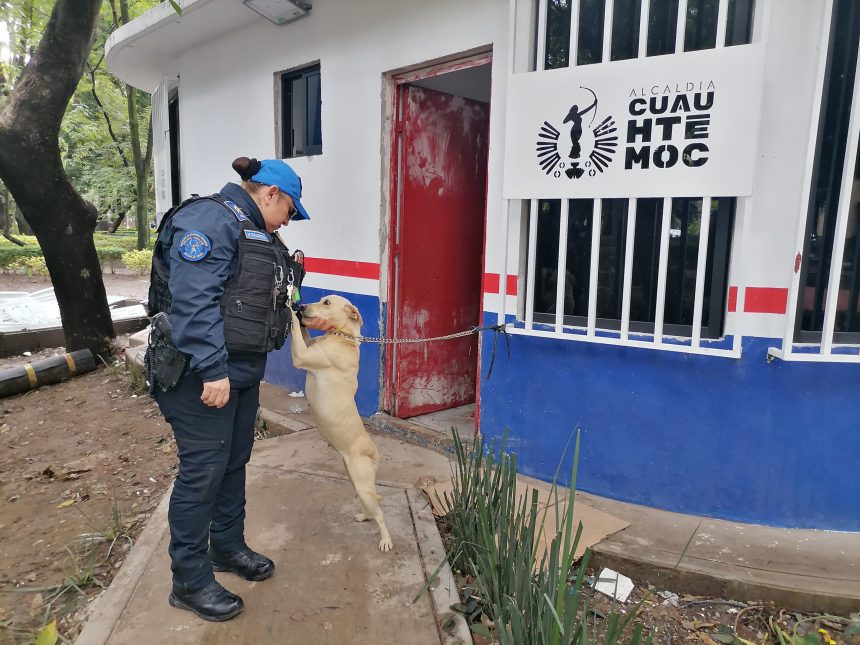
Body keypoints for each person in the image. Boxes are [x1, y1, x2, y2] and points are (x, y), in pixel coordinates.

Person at [146, 156, 310, 621]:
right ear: (270, 193)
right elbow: (193, 300)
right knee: (202, 474)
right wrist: (214, 369)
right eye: (291, 210)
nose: (290, 221)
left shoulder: (255, 231)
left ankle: (227, 547)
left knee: (233, 463)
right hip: (202, 376)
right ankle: (190, 581)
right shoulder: (209, 219)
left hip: (239, 373)